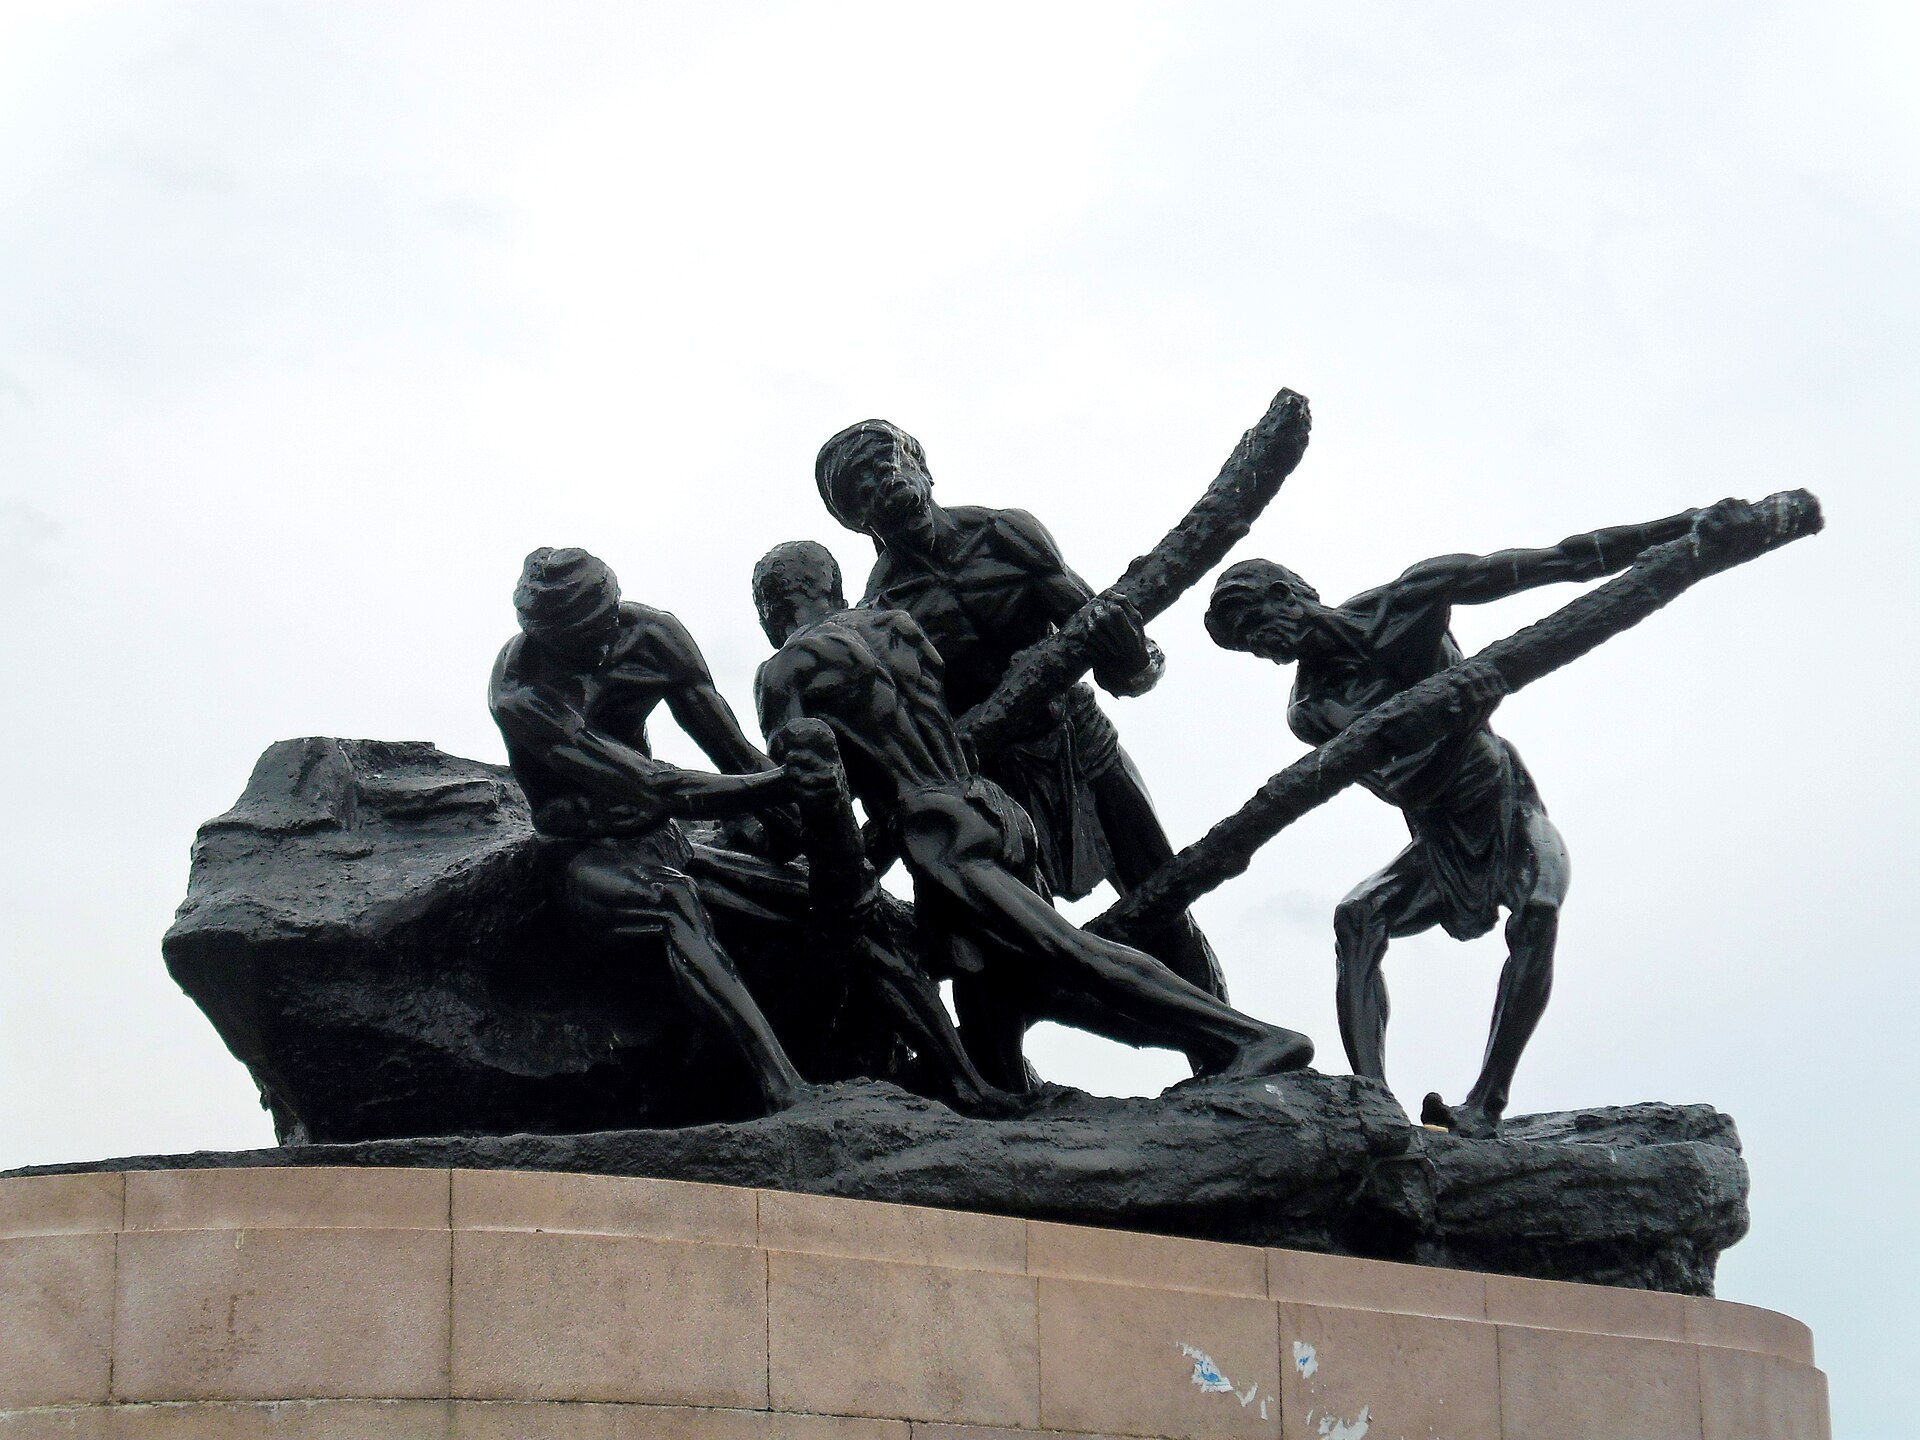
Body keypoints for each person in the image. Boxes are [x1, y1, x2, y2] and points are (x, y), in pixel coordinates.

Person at [1204, 508, 1701, 1136]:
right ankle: (1372, 1098)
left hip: (1507, 804)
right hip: (1436, 832)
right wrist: (1462, 716)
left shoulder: (1411, 601)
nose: (1262, 649)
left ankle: (1486, 1103)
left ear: (1286, 594)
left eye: (1255, 628)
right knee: (1358, 917)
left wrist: (1683, 531)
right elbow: (1399, 782)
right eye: (1247, 647)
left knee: (1538, 909)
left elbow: (1563, 559)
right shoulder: (1313, 708)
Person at [752, 540, 1313, 1092]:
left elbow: (802, 797)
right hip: (993, 807)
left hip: (935, 834)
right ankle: (1006, 1096)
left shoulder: (784, 673)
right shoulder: (895, 626)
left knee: (1069, 955)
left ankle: (1246, 1038)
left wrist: (721, 807)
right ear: (835, 586)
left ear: (770, 610)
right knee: (997, 988)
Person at [813, 419, 1225, 1000]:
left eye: (889, 463)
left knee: (1165, 898)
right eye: (861, 488)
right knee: (1011, 953)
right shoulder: (882, 615)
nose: (884, 484)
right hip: (999, 781)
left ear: (922, 466)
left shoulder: (1006, 535)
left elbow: (1125, 667)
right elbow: (916, 743)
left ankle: (1232, 1038)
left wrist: (1132, 652)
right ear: (855, 520)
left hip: (1082, 742)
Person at [488, 546, 812, 1115]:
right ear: (543, 635)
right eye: (585, 632)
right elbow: (652, 786)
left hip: (664, 839)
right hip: (583, 854)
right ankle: (783, 1087)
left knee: (808, 895)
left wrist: (810, 825)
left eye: (609, 616)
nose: (606, 636)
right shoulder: (521, 692)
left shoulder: (653, 637)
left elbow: (732, 750)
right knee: (674, 900)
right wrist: (783, 784)